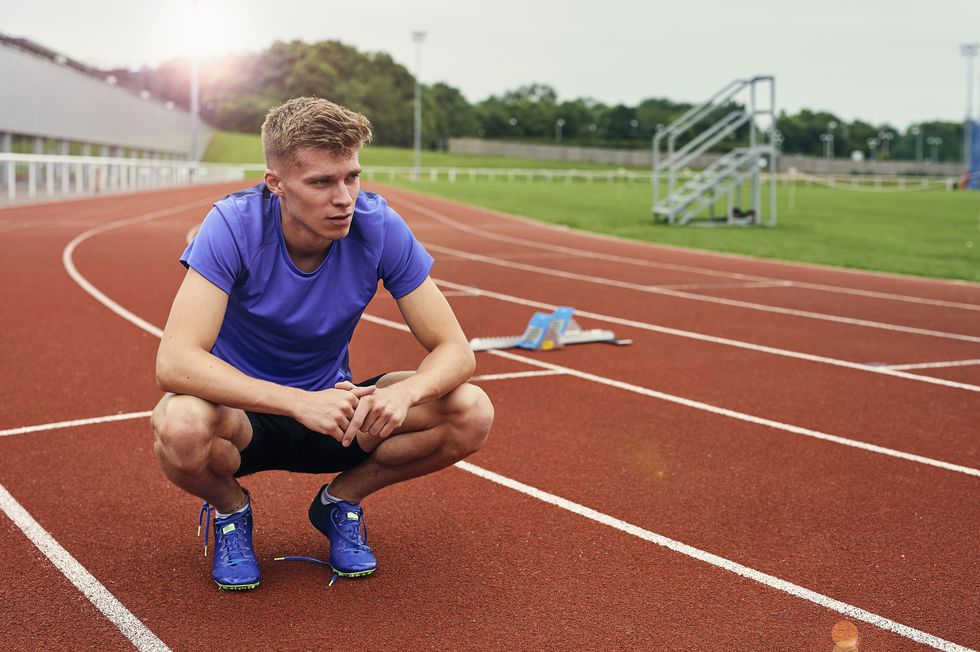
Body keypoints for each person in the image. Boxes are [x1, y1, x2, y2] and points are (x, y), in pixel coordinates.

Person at [150, 97, 494, 590]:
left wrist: (405, 394)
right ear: (276, 184)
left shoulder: (377, 227)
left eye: (351, 177)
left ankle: (339, 503)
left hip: (335, 415)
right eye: (321, 182)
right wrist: (296, 402)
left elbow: (457, 350)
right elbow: (175, 363)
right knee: (179, 423)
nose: (344, 197)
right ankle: (231, 510)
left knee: (470, 410)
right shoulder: (232, 225)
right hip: (242, 417)